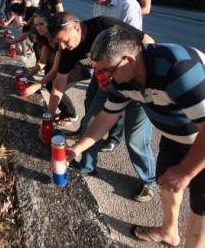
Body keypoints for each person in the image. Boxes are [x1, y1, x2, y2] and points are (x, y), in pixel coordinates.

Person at [68, 26, 205, 247]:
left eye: (108, 70)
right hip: (178, 132)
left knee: (204, 205)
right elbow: (107, 118)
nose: (105, 77)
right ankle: (168, 232)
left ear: (128, 59)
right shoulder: (122, 79)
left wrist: (186, 171)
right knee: (166, 181)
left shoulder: (179, 69)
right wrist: (76, 149)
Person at [46, 13, 156, 202]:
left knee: (136, 138)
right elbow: (59, 84)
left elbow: (148, 41)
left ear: (77, 28)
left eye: (64, 41)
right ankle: (87, 165)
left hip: (137, 83)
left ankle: (148, 181)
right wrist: (48, 117)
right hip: (109, 84)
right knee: (90, 122)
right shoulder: (68, 51)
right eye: (58, 43)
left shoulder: (105, 24)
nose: (62, 47)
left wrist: (145, 75)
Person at [81, 0, 142, 153]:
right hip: (101, 62)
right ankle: (87, 129)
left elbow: (132, 39)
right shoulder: (99, 4)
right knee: (90, 97)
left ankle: (114, 137)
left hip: (119, 63)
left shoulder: (128, 4)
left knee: (115, 102)